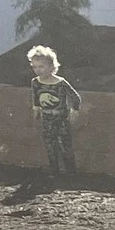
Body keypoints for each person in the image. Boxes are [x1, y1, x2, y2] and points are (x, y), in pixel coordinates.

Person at [25, 46, 83, 175]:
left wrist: (75, 111)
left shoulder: (60, 83)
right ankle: (54, 169)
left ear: (51, 66)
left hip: (61, 118)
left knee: (65, 144)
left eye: (41, 67)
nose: (38, 70)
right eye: (34, 67)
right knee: (50, 144)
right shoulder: (36, 82)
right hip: (47, 118)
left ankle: (70, 171)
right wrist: (36, 108)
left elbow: (75, 97)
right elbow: (36, 96)